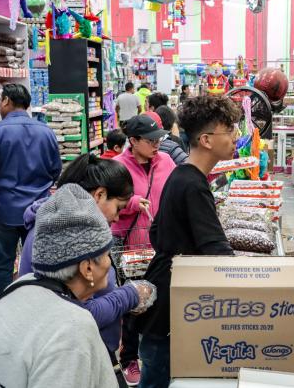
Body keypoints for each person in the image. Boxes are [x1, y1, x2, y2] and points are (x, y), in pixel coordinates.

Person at [0, 184, 155, 388]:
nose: (110, 263)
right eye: (106, 255)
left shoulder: (19, 287)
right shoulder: (72, 330)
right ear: (87, 268)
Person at [136, 95, 240, 388]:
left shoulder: (181, 175)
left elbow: (157, 232)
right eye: (229, 130)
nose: (235, 136)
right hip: (171, 310)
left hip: (165, 298)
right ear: (206, 140)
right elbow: (218, 252)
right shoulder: (194, 185)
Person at [17, 154, 155, 374]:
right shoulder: (60, 238)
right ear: (99, 195)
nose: (118, 218)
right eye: (118, 208)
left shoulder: (70, 229)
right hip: (74, 357)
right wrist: (130, 295)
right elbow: (76, 311)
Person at [0, 83, 61, 299]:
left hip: (5, 211)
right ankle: (40, 303)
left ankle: (3, 307)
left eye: (1, 100)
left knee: (2, 265)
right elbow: (56, 170)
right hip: (39, 210)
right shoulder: (46, 131)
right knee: (40, 261)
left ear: (7, 101)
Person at [112, 115, 176, 386]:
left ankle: (154, 356)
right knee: (131, 303)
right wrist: (132, 203)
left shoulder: (167, 162)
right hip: (127, 244)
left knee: (156, 303)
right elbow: (105, 199)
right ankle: (129, 359)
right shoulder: (116, 167)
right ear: (133, 141)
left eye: (158, 139)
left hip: (159, 246)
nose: (156, 145)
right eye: (150, 140)